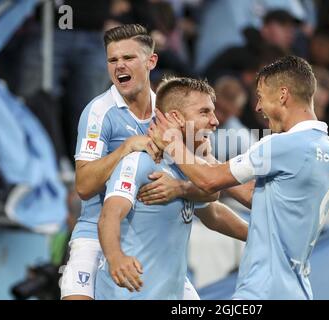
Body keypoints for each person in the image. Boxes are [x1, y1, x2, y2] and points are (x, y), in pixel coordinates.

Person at [149, 55, 329, 299]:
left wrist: (173, 143)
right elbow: (258, 198)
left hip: (263, 289)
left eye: (261, 97)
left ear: (282, 95)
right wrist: (209, 160)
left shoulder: (281, 145)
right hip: (297, 289)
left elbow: (209, 181)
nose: (258, 107)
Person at [60, 24, 225, 300]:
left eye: (128, 58)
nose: (119, 66)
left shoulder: (169, 113)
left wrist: (179, 188)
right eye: (113, 60)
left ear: (151, 61)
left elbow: (210, 186)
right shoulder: (99, 113)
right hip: (97, 235)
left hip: (152, 243)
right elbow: (84, 186)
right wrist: (125, 148)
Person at [95, 77, 248, 299]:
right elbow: (110, 215)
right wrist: (116, 257)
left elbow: (213, 213)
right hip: (130, 293)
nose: (215, 121)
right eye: (204, 112)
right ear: (176, 117)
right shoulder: (142, 161)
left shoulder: (187, 167)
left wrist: (257, 236)